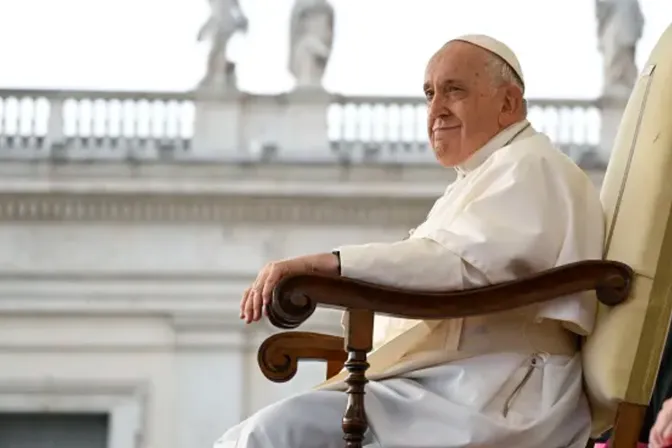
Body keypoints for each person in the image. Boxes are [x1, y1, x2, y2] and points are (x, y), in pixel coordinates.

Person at [214, 34, 604, 448]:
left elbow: (454, 267)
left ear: (508, 104)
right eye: (429, 93)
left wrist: (324, 266)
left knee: (272, 435)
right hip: (457, 381)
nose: (435, 110)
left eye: (454, 90)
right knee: (253, 434)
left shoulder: (531, 166)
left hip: (496, 393)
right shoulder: (484, 174)